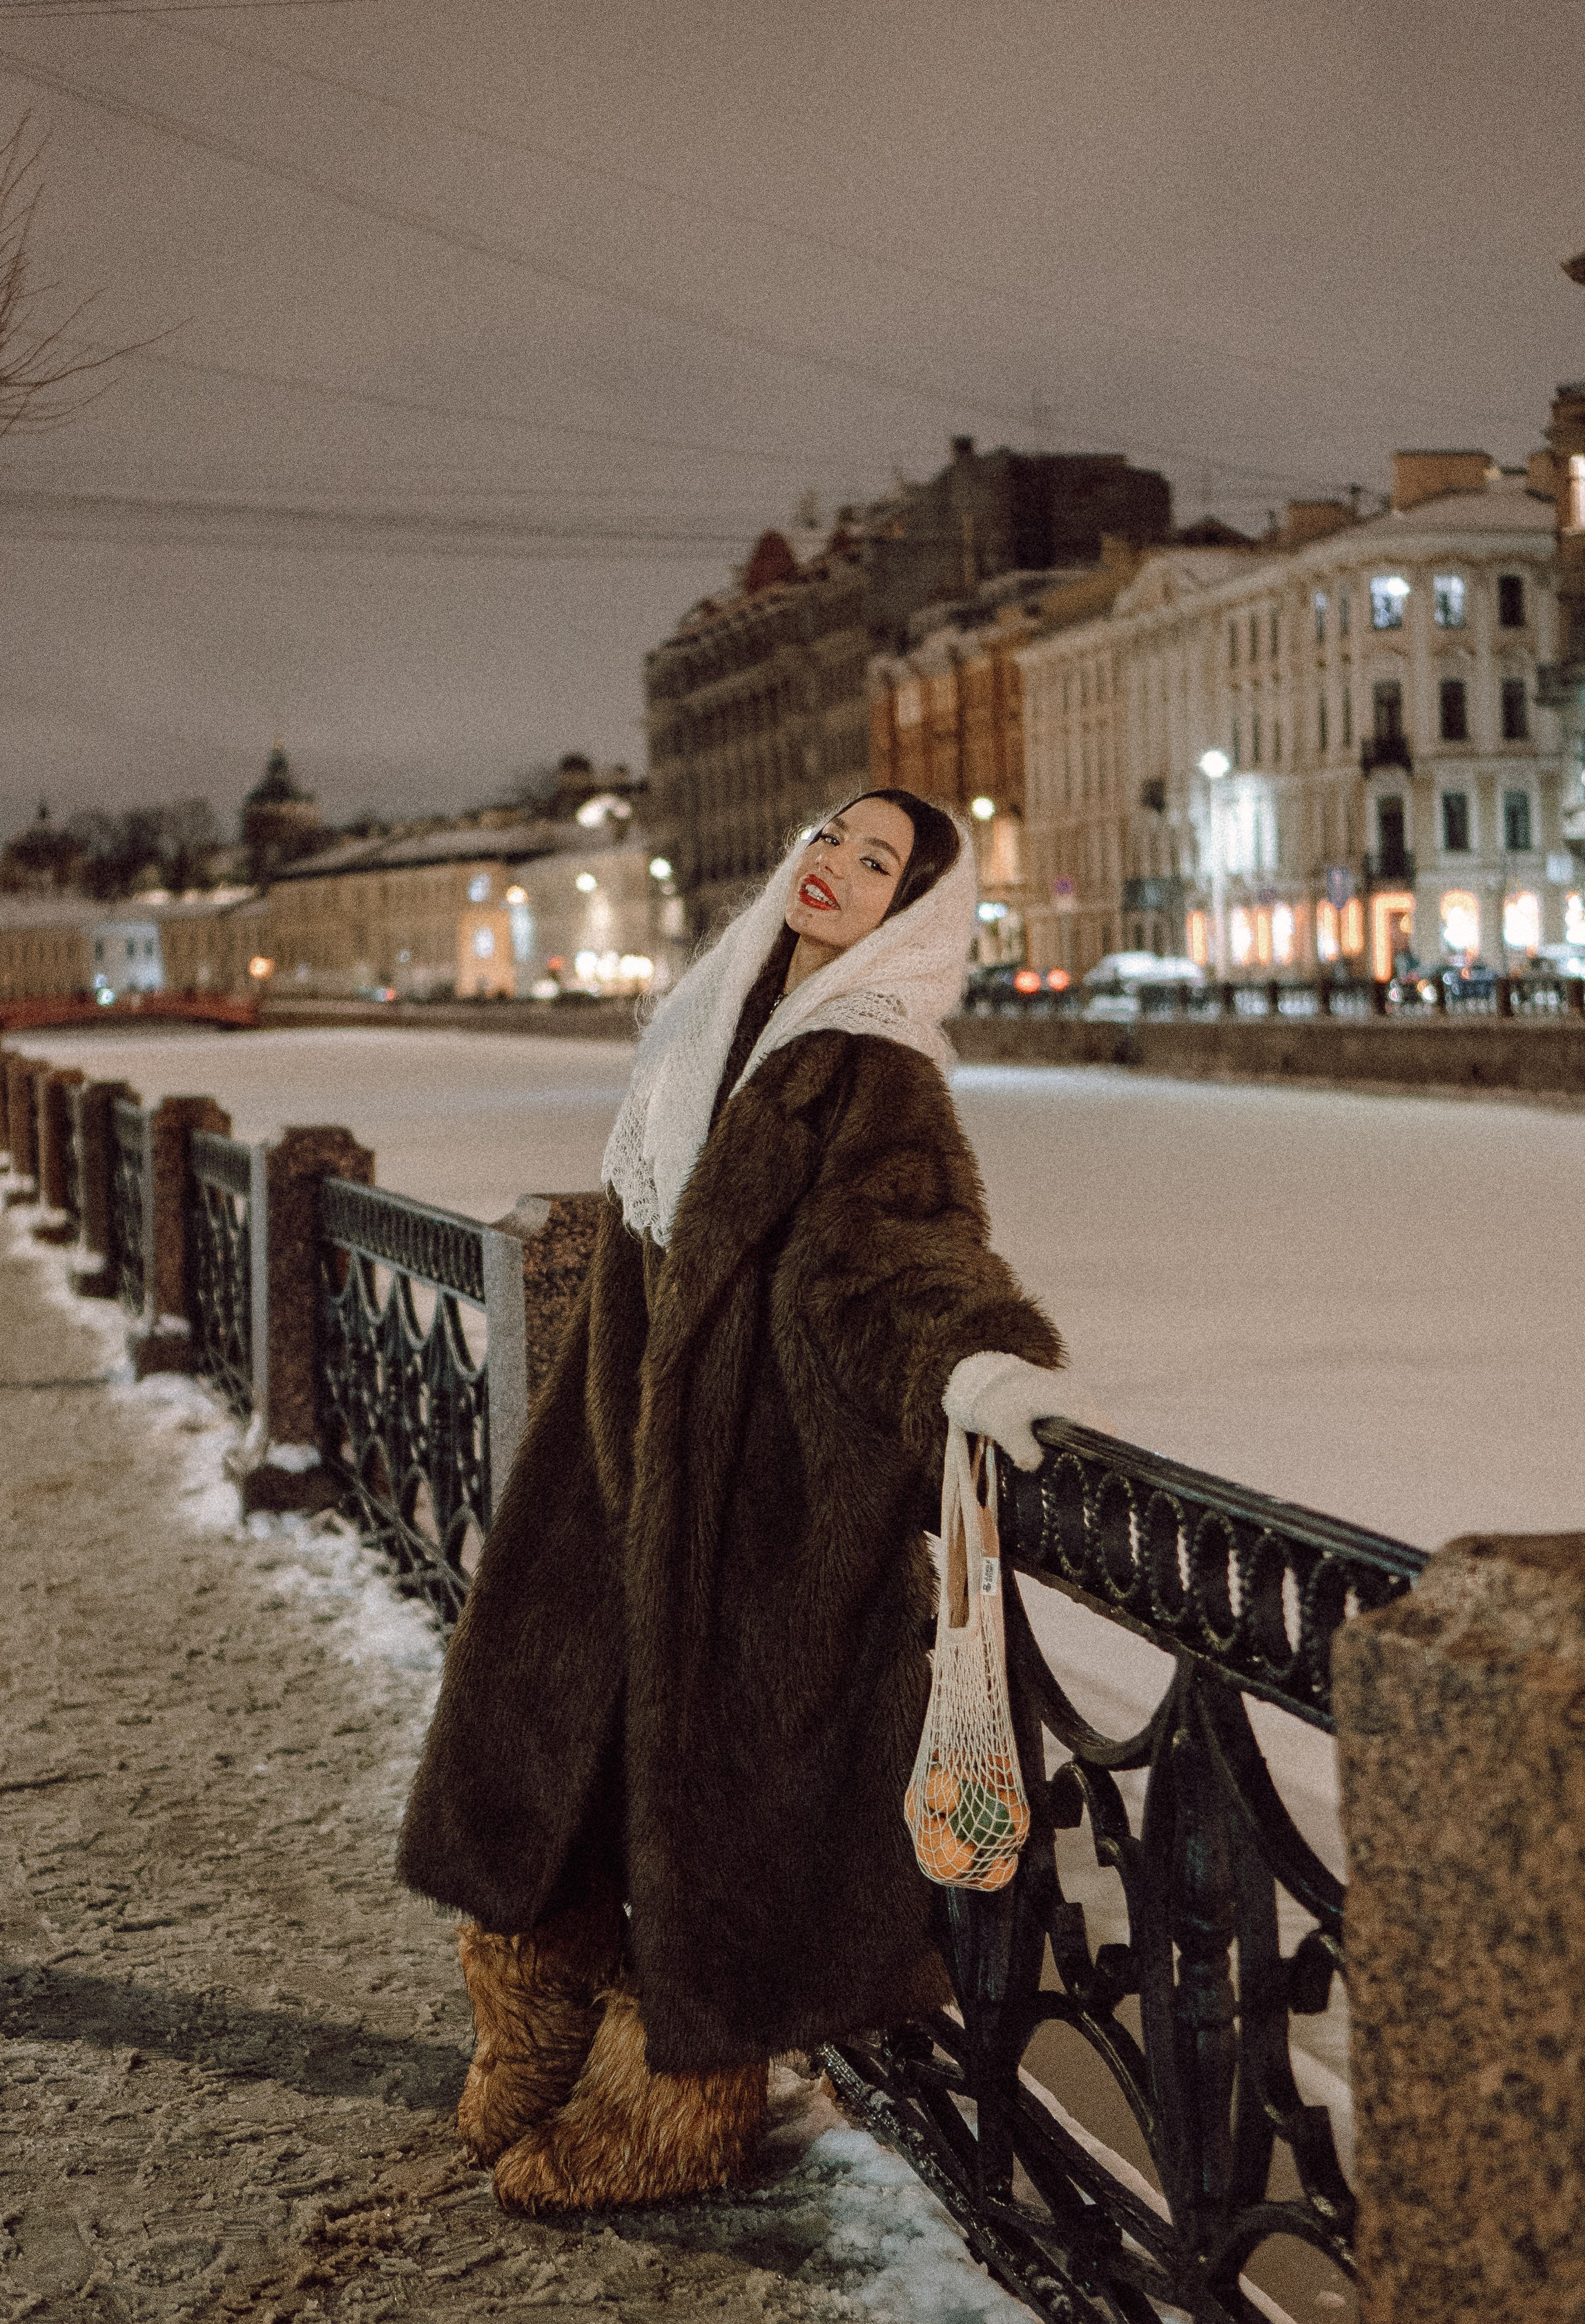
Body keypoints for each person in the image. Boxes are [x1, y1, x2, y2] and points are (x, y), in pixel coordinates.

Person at [397, 790, 1098, 2213]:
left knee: (712, 1826)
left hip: (746, 1508)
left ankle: (670, 2112)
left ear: (909, 915)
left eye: (877, 865)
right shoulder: (712, 1017)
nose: (835, 870)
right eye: (831, 842)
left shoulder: (868, 1064)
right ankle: (532, 2038)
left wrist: (974, 1359)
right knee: (552, 1779)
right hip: (606, 1471)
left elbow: (886, 1245)